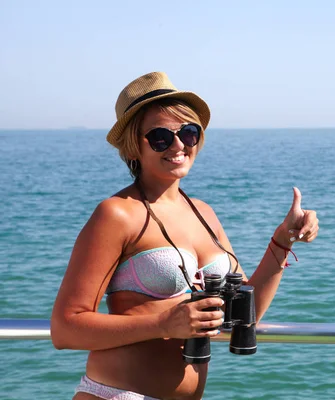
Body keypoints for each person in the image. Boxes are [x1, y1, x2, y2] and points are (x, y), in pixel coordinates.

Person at [50, 72, 319, 400]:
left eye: (188, 133)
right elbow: (65, 329)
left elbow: (243, 316)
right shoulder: (117, 213)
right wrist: (164, 324)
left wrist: (282, 240)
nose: (178, 145)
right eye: (161, 137)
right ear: (135, 146)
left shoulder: (204, 214)